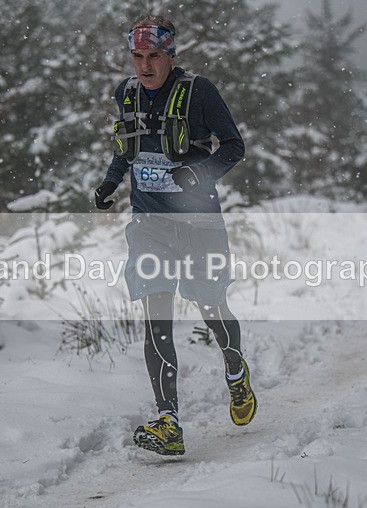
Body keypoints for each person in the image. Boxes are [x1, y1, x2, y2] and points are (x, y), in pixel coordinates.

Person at [94, 15, 257, 456]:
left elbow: (234, 146)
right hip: (150, 225)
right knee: (157, 315)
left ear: (170, 56)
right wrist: (110, 183)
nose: (145, 67)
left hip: (199, 224)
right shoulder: (126, 93)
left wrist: (197, 172)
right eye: (138, 57)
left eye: (154, 57)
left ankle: (235, 370)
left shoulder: (199, 92)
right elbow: (127, 146)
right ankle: (169, 421)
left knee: (210, 305)